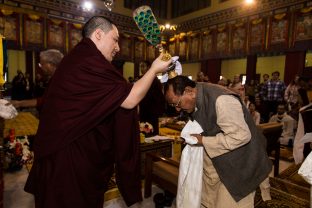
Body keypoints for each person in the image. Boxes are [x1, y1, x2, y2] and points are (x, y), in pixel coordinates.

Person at [24, 16, 172, 208]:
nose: (118, 48)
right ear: (99, 34)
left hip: (73, 153)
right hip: (67, 161)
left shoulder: (81, 59)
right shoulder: (86, 61)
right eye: (116, 39)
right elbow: (129, 99)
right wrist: (154, 69)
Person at [164, 75, 271, 208]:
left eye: (177, 103)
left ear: (189, 91)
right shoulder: (197, 93)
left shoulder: (222, 100)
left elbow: (241, 136)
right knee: (208, 200)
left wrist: (203, 140)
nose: (177, 109)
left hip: (241, 163)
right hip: (220, 159)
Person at [138, 60, 166, 135]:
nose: (141, 69)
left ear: (148, 67)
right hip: (143, 109)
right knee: (143, 131)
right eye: (141, 67)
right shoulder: (141, 78)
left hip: (152, 110)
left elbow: (159, 97)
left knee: (152, 131)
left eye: (143, 66)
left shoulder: (154, 80)